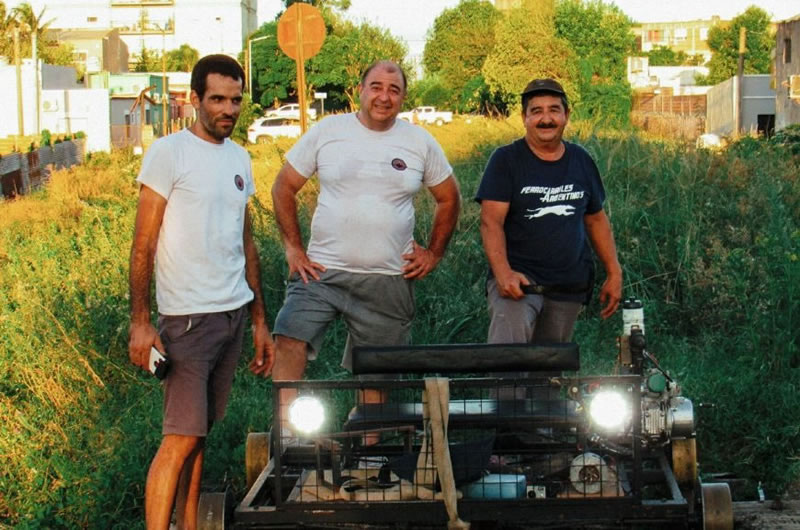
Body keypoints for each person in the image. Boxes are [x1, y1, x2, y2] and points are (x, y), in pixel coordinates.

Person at [267, 60, 460, 438]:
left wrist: (433, 253)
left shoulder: (419, 142)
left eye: (393, 89)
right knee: (288, 337)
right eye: (376, 86)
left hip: (387, 277)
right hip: (321, 272)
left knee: (378, 372)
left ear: (403, 96)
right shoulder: (329, 131)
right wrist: (293, 247)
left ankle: (367, 451)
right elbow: (283, 187)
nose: (384, 96)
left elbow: (449, 198)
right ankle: (287, 438)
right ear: (360, 89)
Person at [128, 54, 275, 530]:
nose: (228, 109)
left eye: (235, 100)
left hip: (232, 314)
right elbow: (143, 243)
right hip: (187, 319)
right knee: (179, 438)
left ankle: (189, 524)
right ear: (195, 100)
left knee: (201, 435)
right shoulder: (169, 153)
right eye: (217, 99)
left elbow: (245, 241)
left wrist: (258, 321)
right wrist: (140, 321)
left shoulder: (239, 158)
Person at [476, 78, 622, 352]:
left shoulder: (581, 160)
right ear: (524, 118)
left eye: (554, 110)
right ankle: (505, 397)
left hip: (567, 285)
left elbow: (596, 219)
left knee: (548, 368)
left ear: (566, 115)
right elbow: (490, 222)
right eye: (537, 111)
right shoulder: (505, 160)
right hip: (519, 282)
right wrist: (504, 273)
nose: (546, 119)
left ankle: (543, 395)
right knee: (507, 361)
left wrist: (614, 272)